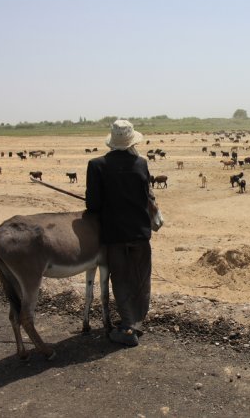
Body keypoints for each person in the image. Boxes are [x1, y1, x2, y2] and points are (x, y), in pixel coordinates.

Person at [86, 119, 153, 347]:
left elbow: (93, 205)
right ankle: (137, 321)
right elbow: (145, 197)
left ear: (112, 141)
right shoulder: (141, 163)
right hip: (140, 233)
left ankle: (127, 328)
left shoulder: (96, 165)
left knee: (121, 278)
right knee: (141, 278)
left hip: (114, 234)